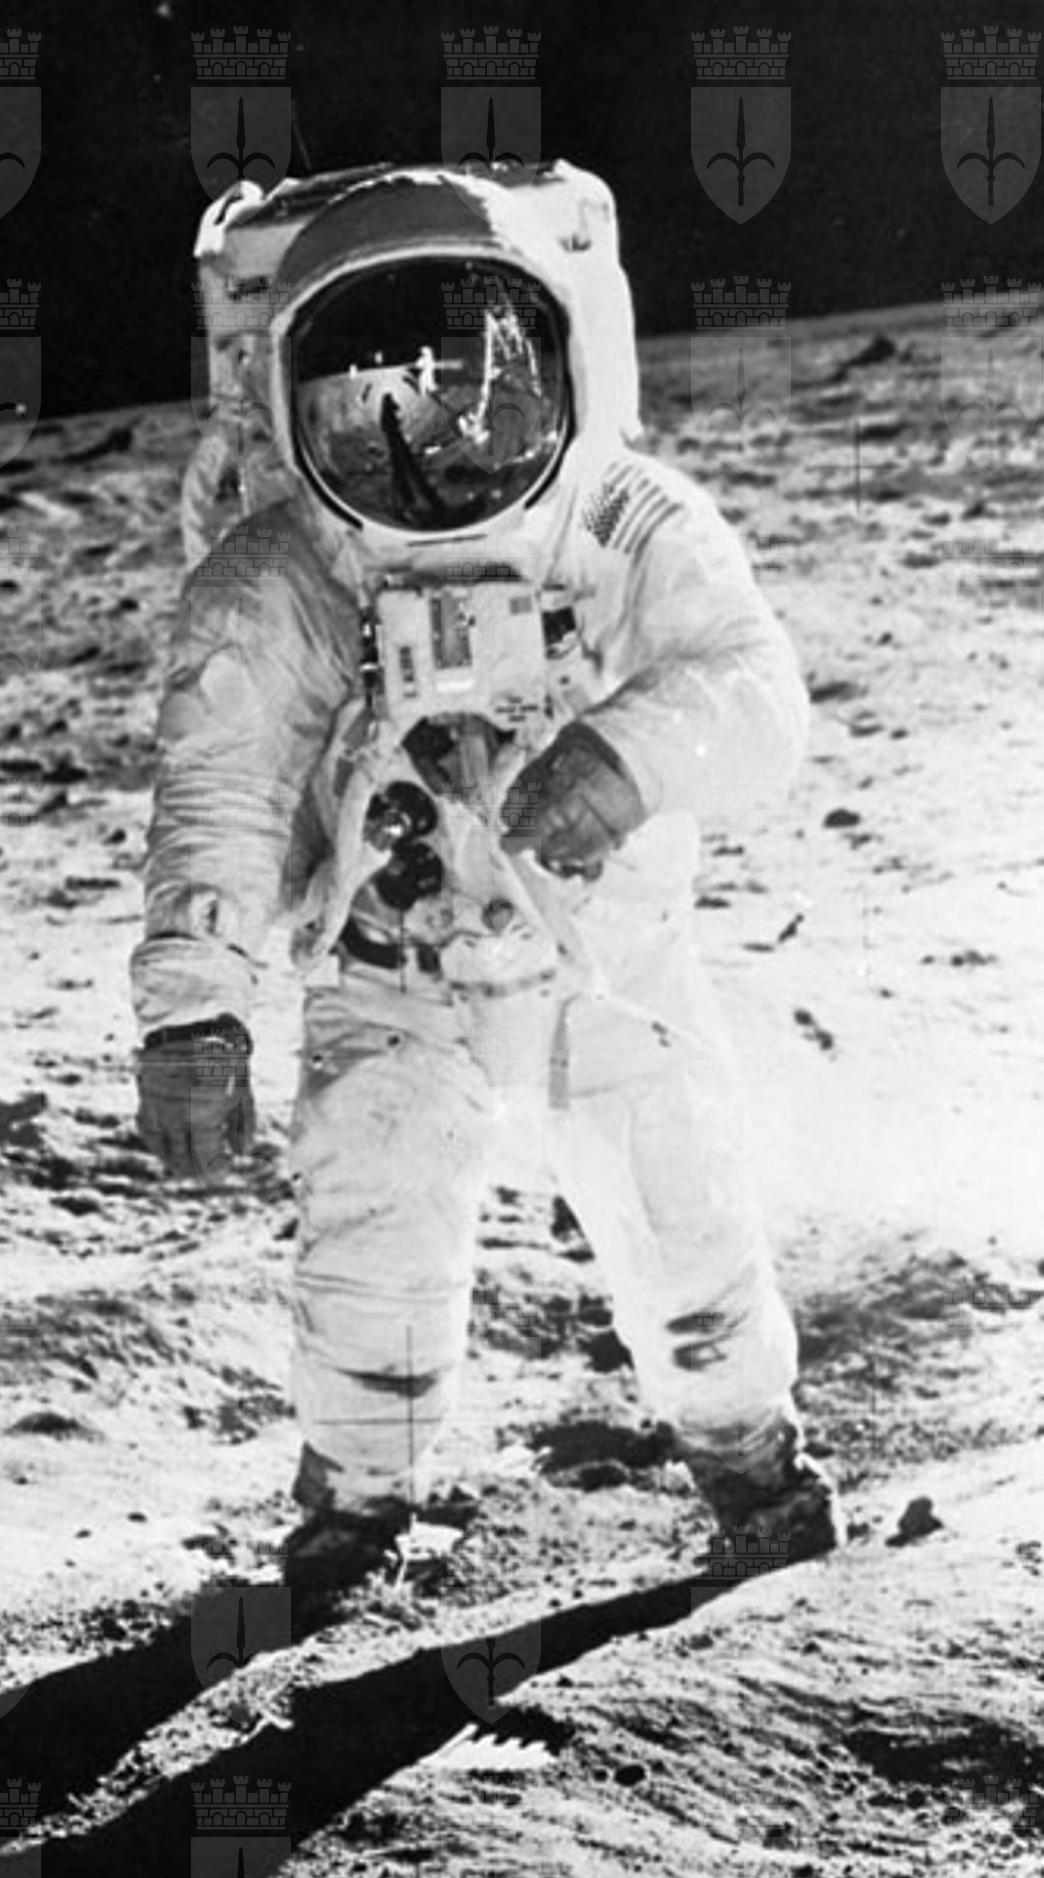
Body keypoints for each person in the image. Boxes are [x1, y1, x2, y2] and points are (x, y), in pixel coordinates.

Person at [134, 160, 845, 1604]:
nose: (439, 451)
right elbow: (222, 796)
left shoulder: (624, 519)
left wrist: (625, 759)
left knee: (684, 1215)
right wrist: (195, 1012)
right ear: (294, 400)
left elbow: (759, 693)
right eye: (371, 407)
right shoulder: (283, 579)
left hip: (604, 961)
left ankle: (753, 1466)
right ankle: (355, 1511)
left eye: (481, 391)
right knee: (373, 1234)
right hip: (387, 970)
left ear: (558, 358)